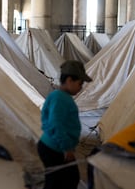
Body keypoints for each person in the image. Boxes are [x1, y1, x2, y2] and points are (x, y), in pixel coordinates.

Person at [37, 60, 92, 189]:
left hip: (54, 146)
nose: (81, 87)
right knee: (62, 181)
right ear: (69, 80)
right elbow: (56, 124)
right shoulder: (60, 98)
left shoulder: (59, 96)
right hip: (53, 148)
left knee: (66, 179)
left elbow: (47, 120)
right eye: (80, 83)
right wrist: (67, 147)